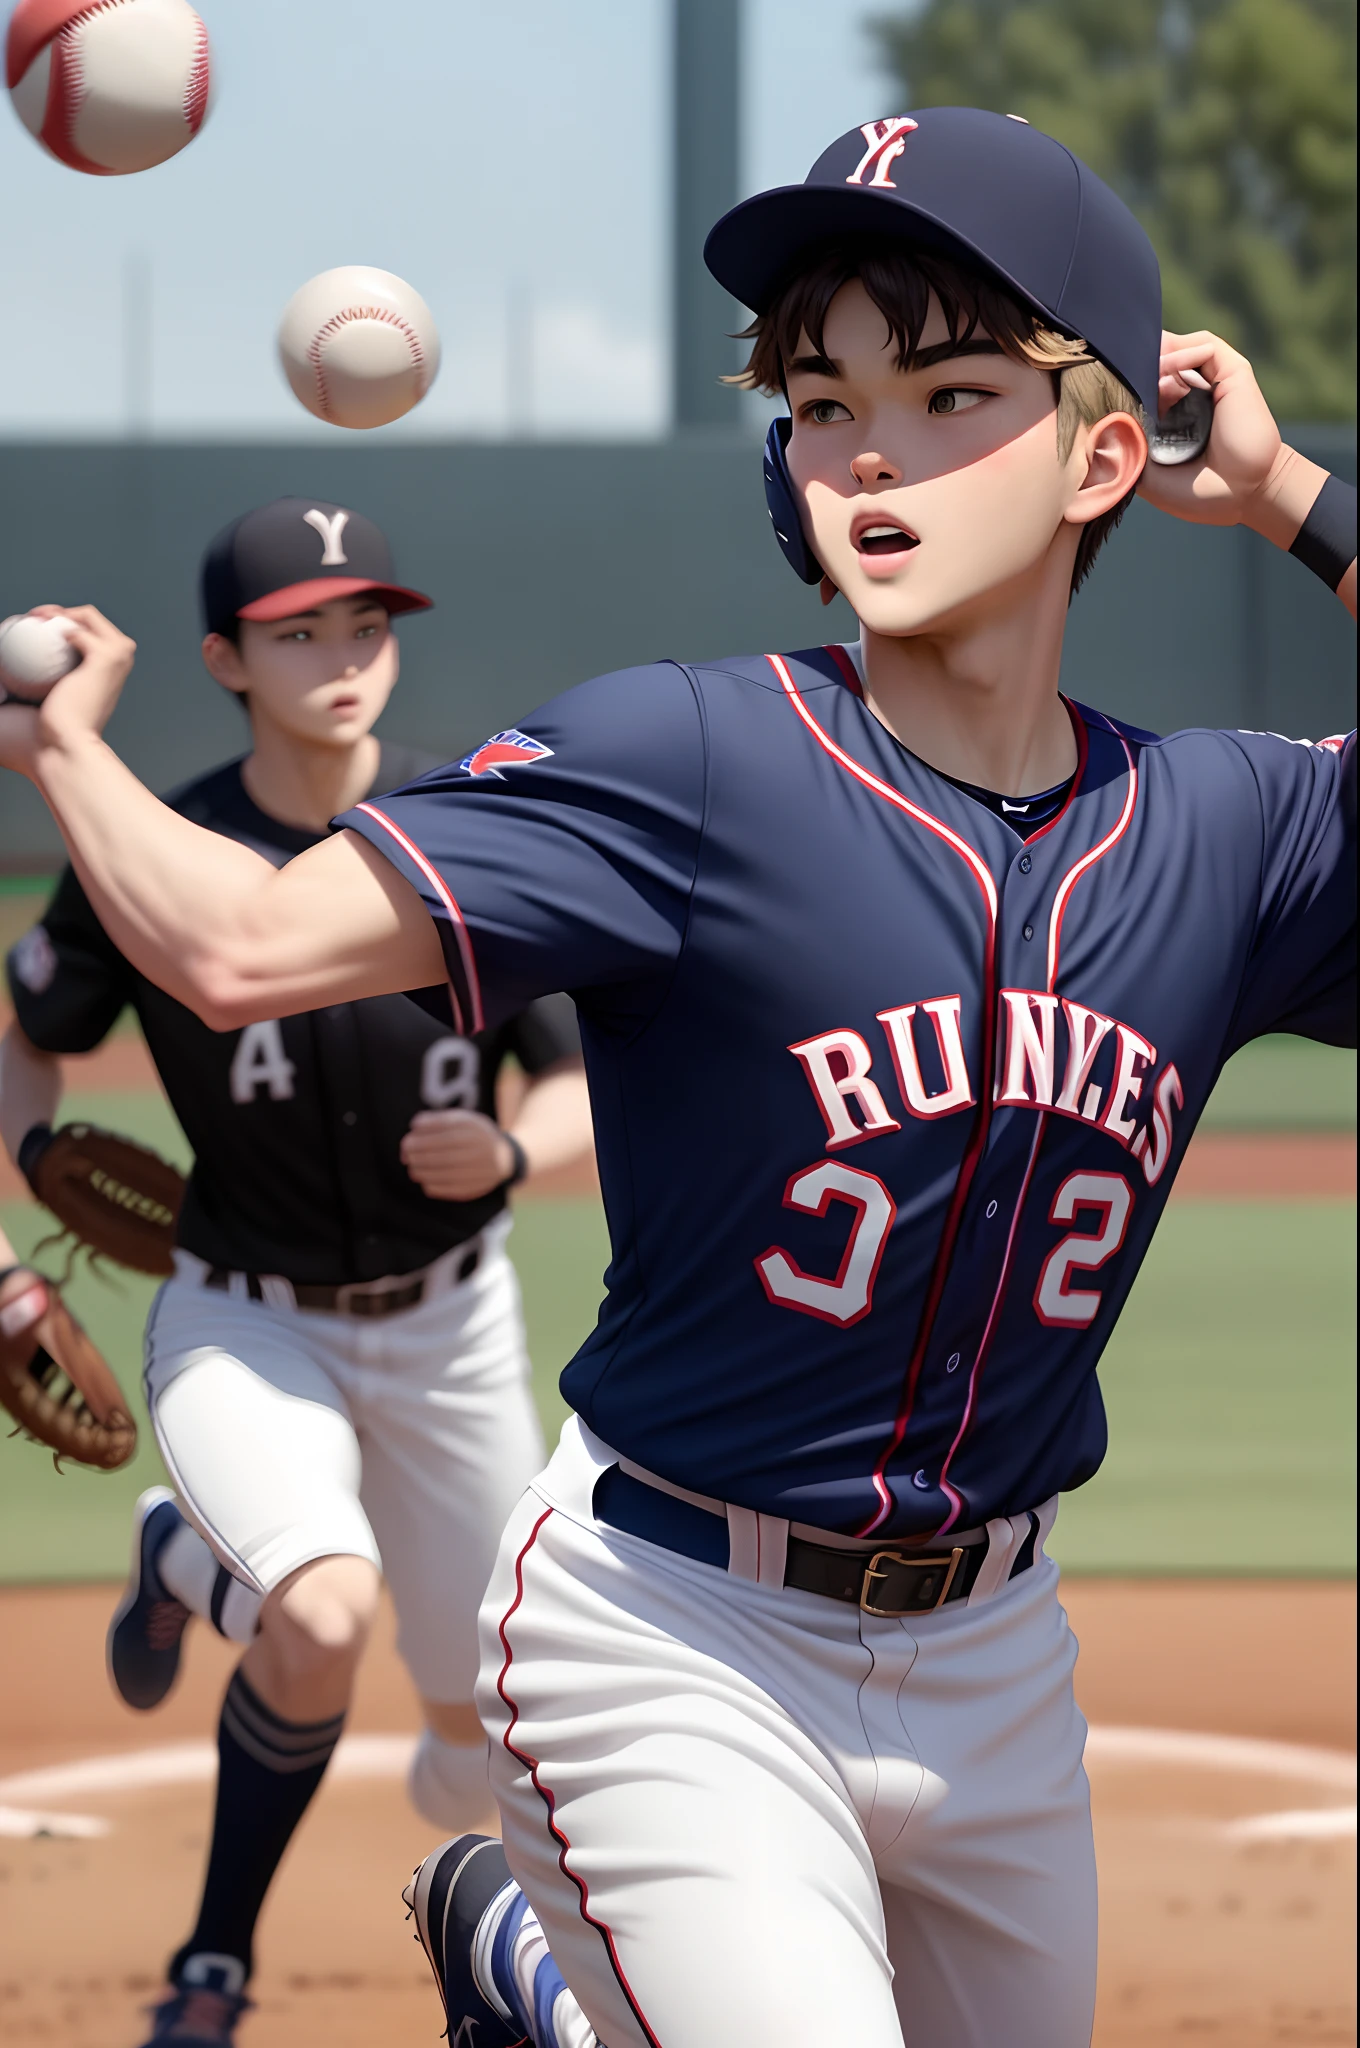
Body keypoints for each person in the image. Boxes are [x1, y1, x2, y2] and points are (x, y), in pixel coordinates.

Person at [0, 108, 1354, 2048]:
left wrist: (1294, 489)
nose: (863, 450)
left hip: (996, 1661)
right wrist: (66, 758)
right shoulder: (691, 763)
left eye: (949, 388)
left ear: (1103, 448)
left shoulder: (1219, 829)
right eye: (819, 401)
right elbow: (233, 945)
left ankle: (534, 1982)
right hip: (673, 1633)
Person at [0, 496, 592, 2048]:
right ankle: (212, 1971)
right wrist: (15, 1220)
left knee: (487, 1725)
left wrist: (522, 1152)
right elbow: (25, 1061)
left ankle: (186, 1565)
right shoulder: (153, 850)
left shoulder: (473, 827)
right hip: (247, 1322)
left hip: (456, 1325)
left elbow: (575, 1077)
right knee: (323, 1623)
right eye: (299, 630)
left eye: (366, 623)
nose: (342, 656)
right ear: (223, 660)